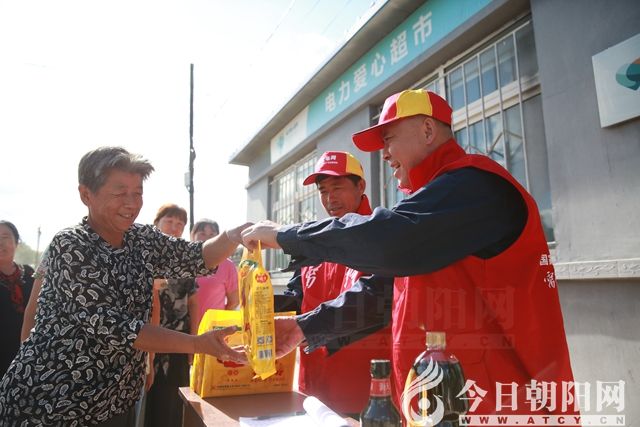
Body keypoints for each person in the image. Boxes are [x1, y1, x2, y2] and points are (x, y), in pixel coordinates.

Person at [241, 90, 577, 418]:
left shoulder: (474, 186)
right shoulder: (430, 209)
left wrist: (285, 235)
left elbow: (390, 241)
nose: (385, 154)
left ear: (428, 130)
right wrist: (304, 327)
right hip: (440, 402)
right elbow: (380, 293)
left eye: (389, 139)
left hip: (495, 404)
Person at [0, 147, 246, 426]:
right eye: (120, 193)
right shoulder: (71, 245)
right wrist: (196, 343)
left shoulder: (141, 239)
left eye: (138, 193)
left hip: (113, 401)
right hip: (53, 403)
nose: (131, 203)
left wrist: (235, 235)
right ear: (86, 195)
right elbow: (116, 326)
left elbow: (195, 256)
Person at [275, 151, 392, 415]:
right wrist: (258, 305)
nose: (330, 198)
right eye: (323, 191)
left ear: (361, 186)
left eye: (338, 188)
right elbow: (296, 297)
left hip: (363, 390)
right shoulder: (315, 240)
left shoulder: (380, 236)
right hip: (313, 387)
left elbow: (373, 300)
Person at [145, 203, 198, 427]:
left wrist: (194, 343)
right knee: (147, 403)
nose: (175, 227)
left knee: (173, 405)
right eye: (169, 221)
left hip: (177, 342)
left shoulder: (185, 263)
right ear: (156, 223)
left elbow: (193, 304)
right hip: (144, 339)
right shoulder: (142, 256)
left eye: (180, 224)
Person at [0, 220, 35, 379]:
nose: (0, 243)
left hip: (25, 352)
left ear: (16, 242)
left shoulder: (29, 274)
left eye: (5, 237)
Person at [190, 219, 239, 323]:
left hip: (212, 329)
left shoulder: (227, 265)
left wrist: (218, 321)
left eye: (212, 234)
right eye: (202, 234)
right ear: (192, 236)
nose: (207, 238)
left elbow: (234, 301)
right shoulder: (181, 263)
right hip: (182, 329)